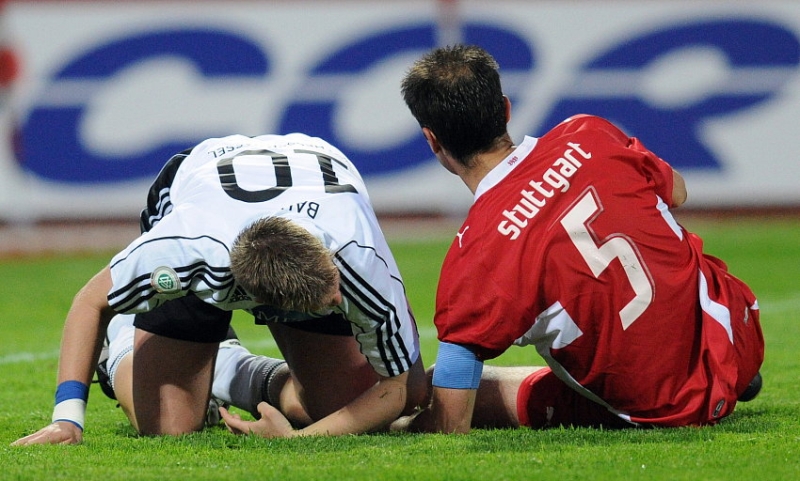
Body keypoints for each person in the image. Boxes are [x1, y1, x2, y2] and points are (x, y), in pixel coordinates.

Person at [396, 44, 764, 433]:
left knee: (443, 385)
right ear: (505, 109)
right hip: (740, 334)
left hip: (667, 409)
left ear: (432, 140)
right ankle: (731, 374)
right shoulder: (588, 131)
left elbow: (452, 425)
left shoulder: (475, 254)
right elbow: (678, 193)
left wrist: (402, 426)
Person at [12, 132, 427, 445]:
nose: (340, 302)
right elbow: (91, 301)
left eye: (334, 289)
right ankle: (125, 340)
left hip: (312, 174)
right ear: (273, 307)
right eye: (329, 302)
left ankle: (227, 365)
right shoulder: (184, 247)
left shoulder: (357, 259)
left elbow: (397, 392)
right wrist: (67, 419)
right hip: (204, 189)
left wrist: (297, 438)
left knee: (348, 407)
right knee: (169, 428)